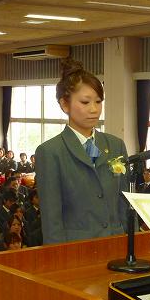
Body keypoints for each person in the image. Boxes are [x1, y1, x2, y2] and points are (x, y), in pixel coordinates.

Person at [35, 58, 128, 244]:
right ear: (64, 104)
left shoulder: (115, 145)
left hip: (116, 243)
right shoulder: (51, 152)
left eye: (98, 101)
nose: (94, 109)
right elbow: (52, 219)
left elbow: (124, 203)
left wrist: (131, 243)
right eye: (85, 102)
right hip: (77, 248)